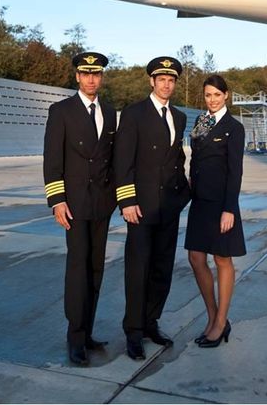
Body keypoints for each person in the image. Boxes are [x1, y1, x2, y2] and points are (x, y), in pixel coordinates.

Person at [114, 56, 191, 360]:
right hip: (141, 207)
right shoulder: (134, 114)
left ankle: (150, 323)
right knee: (138, 270)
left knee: (162, 269)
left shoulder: (180, 117)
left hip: (168, 207)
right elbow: (123, 160)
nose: (166, 84)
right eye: (161, 79)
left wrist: (182, 194)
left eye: (171, 80)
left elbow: (177, 160)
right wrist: (127, 201)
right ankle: (133, 331)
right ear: (151, 81)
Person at [43, 52, 116, 366]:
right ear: (76, 76)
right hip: (73, 204)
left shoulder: (111, 112)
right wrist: (57, 200)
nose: (91, 79)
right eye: (86, 73)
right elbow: (52, 160)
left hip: (101, 204)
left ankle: (87, 332)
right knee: (78, 270)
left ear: (101, 77)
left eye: (96, 74)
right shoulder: (61, 111)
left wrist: (115, 198)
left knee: (96, 269)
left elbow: (113, 159)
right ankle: (74, 337)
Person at [184, 74, 246, 348]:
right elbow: (195, 161)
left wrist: (229, 209)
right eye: (208, 95)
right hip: (200, 202)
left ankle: (221, 322)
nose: (211, 100)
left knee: (222, 259)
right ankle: (212, 315)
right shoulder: (200, 122)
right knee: (196, 258)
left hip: (222, 203)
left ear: (226, 96)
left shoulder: (234, 127)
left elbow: (235, 171)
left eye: (216, 95)